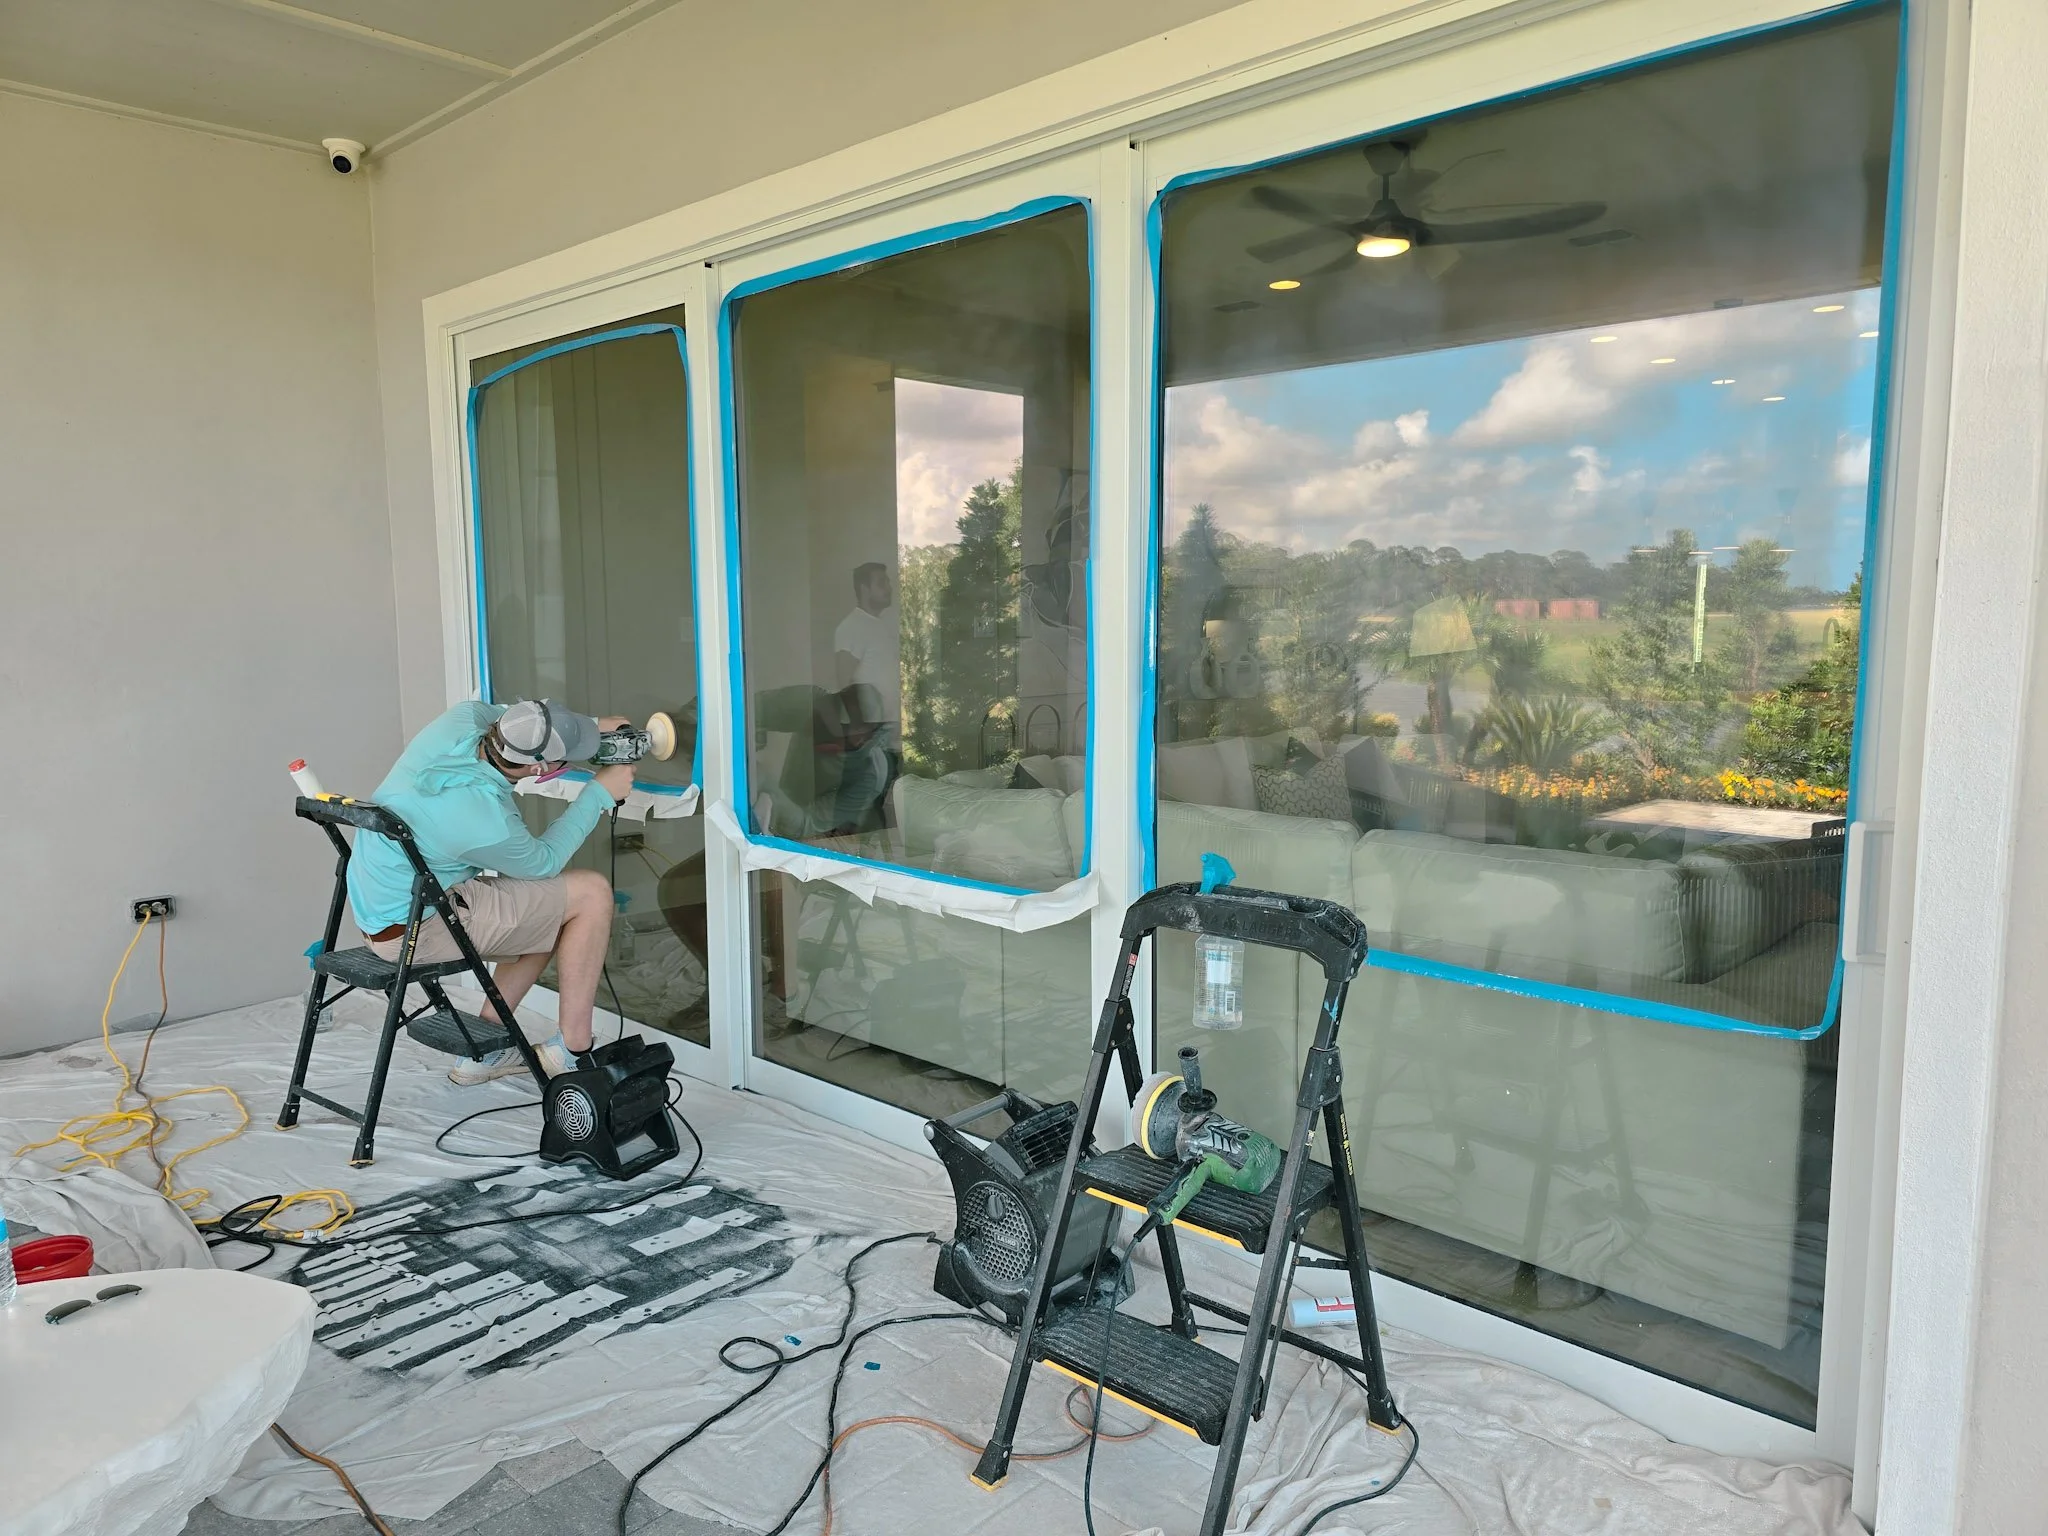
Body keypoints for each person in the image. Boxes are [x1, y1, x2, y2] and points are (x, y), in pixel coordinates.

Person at [346, 698, 633, 1084]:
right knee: (591, 893)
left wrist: (593, 724)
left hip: (394, 906)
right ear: (539, 770)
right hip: (417, 931)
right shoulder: (486, 821)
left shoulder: (461, 723)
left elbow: (507, 716)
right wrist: (599, 794)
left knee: (547, 906)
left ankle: (490, 1048)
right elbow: (544, 863)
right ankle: (573, 1049)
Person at [830, 561, 901, 834]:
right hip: (871, 734)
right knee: (863, 808)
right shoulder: (852, 627)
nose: (888, 588)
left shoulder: (879, 625)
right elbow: (843, 680)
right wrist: (861, 732)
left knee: (884, 804)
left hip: (888, 730)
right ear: (864, 588)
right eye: (881, 583)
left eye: (888, 582)